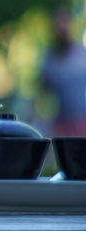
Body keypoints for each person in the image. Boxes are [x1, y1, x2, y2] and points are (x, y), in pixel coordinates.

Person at [42, 7, 86, 136]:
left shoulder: (82, 55)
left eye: (65, 22)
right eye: (58, 24)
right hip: (60, 124)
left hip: (83, 122)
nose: (62, 28)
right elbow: (43, 93)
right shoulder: (50, 59)